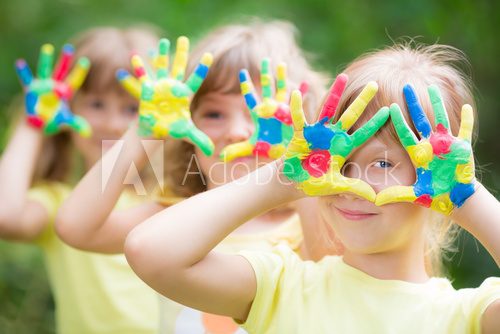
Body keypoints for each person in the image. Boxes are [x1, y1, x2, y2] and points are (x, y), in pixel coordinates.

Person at [124, 43, 500, 333]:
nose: (351, 183)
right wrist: (283, 178)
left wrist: (468, 198)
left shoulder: (466, 315)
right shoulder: (281, 286)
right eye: (341, 162)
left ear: (439, 178)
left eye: (383, 164)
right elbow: (149, 252)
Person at [56, 20, 333, 333]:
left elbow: (334, 277)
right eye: (214, 114)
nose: (236, 132)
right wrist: (143, 131)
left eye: (263, 116)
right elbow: (76, 228)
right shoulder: (173, 217)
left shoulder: (304, 224)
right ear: (186, 127)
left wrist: (298, 168)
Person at [0, 26, 162, 333]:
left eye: (131, 109)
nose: (113, 124)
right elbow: (5, 215)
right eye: (96, 105)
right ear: (68, 108)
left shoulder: (172, 197)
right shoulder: (60, 203)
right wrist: (32, 123)